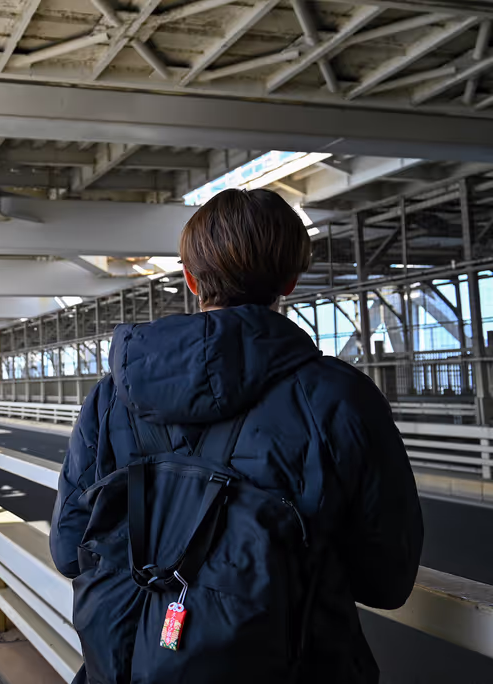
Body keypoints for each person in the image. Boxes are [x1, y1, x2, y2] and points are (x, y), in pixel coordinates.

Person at [50, 188, 423, 684]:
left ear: (189, 279)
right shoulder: (339, 398)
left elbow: (68, 547)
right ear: (290, 280)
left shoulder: (111, 397)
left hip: (126, 668)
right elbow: (387, 580)